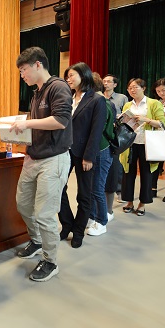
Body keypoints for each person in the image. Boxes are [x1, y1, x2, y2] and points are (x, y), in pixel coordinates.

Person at [10, 46, 71, 282]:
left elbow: (61, 120)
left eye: (23, 70)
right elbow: (38, 125)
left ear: (38, 65)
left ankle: (50, 260)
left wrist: (27, 124)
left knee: (45, 214)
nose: (22, 75)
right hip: (33, 157)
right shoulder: (37, 93)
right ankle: (36, 241)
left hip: (53, 159)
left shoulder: (58, 87)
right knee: (23, 205)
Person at [59, 63, 106, 246]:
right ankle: (67, 224)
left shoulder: (96, 100)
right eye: (67, 76)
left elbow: (96, 131)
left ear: (83, 76)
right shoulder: (67, 98)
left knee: (84, 195)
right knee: (58, 189)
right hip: (64, 150)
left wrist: (89, 156)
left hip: (84, 152)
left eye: (71, 75)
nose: (68, 79)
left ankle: (78, 231)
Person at [119, 78, 165, 216]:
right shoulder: (128, 105)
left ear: (143, 88)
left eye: (135, 87)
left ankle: (142, 203)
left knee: (146, 174)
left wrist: (146, 120)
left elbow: (162, 124)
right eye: (130, 88)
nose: (132, 90)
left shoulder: (153, 103)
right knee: (128, 173)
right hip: (130, 143)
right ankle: (129, 201)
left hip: (147, 143)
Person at [87, 72, 115, 235]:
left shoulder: (101, 102)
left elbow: (101, 130)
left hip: (102, 149)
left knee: (97, 187)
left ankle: (101, 221)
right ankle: (92, 217)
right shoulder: (95, 101)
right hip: (94, 149)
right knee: (91, 188)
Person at [102, 74, 128, 203]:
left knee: (117, 165)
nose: (106, 83)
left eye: (109, 81)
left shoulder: (121, 98)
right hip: (102, 134)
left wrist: (118, 119)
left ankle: (119, 191)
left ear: (115, 84)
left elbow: (127, 115)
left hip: (116, 133)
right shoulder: (99, 96)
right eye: (104, 81)